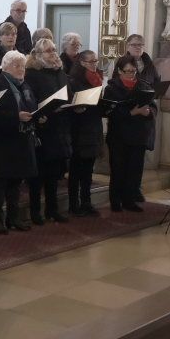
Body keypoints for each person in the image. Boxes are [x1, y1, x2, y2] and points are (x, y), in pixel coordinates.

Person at [0, 50, 37, 234]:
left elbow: (32, 105)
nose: (21, 69)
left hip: (21, 140)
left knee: (16, 182)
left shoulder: (25, 86)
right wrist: (16, 116)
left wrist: (37, 115)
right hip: (2, 142)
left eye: (23, 66)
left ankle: (13, 218)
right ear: (5, 67)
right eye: (16, 65)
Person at [25, 38, 71, 224]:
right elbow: (29, 98)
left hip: (59, 126)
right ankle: (35, 212)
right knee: (38, 175)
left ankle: (52, 209)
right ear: (38, 54)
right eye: (48, 51)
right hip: (41, 128)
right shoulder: (32, 73)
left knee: (54, 173)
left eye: (54, 50)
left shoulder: (60, 72)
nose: (53, 54)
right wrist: (39, 114)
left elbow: (67, 93)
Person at [104, 54, 156, 212]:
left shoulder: (143, 85)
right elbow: (109, 111)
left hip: (139, 135)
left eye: (133, 71)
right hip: (119, 135)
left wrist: (149, 112)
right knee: (118, 169)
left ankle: (130, 200)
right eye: (128, 71)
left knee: (134, 170)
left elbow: (153, 106)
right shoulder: (111, 88)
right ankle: (115, 201)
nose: (131, 74)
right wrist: (131, 113)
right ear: (120, 71)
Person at [67, 49, 103, 216]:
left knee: (88, 170)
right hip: (79, 129)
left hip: (93, 126)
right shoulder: (74, 81)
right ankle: (74, 204)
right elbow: (70, 103)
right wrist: (77, 108)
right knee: (76, 170)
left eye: (96, 61)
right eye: (91, 62)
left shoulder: (97, 79)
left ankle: (86, 202)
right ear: (81, 63)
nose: (94, 64)